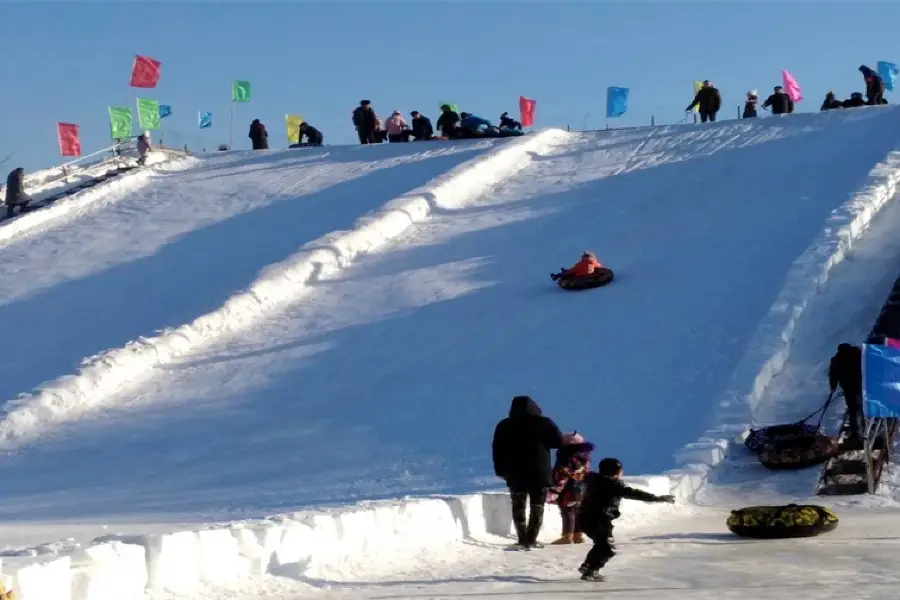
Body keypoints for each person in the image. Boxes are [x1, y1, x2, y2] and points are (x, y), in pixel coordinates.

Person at [576, 458, 675, 581]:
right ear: (615, 472)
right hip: (600, 519)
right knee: (608, 549)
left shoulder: (592, 480)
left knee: (601, 544)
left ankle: (587, 566)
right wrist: (657, 498)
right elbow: (634, 493)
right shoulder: (614, 485)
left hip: (584, 518)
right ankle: (592, 570)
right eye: (620, 470)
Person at [492, 395, 564, 549]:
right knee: (537, 505)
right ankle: (531, 539)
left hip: (515, 472)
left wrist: (500, 470)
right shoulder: (543, 422)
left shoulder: (504, 425)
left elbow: (497, 449)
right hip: (539, 472)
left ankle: (522, 538)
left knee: (518, 504)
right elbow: (559, 442)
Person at [547, 432, 594, 545]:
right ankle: (578, 535)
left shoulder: (565, 457)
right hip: (581, 489)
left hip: (567, 490)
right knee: (576, 511)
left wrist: (555, 489)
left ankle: (567, 536)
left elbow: (562, 475)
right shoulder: (585, 458)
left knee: (567, 512)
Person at [828, 343, 864, 448]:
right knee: (858, 408)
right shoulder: (858, 355)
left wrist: (833, 387)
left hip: (849, 388)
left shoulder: (836, 359)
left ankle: (857, 434)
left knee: (854, 410)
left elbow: (833, 375)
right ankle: (861, 428)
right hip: (860, 386)